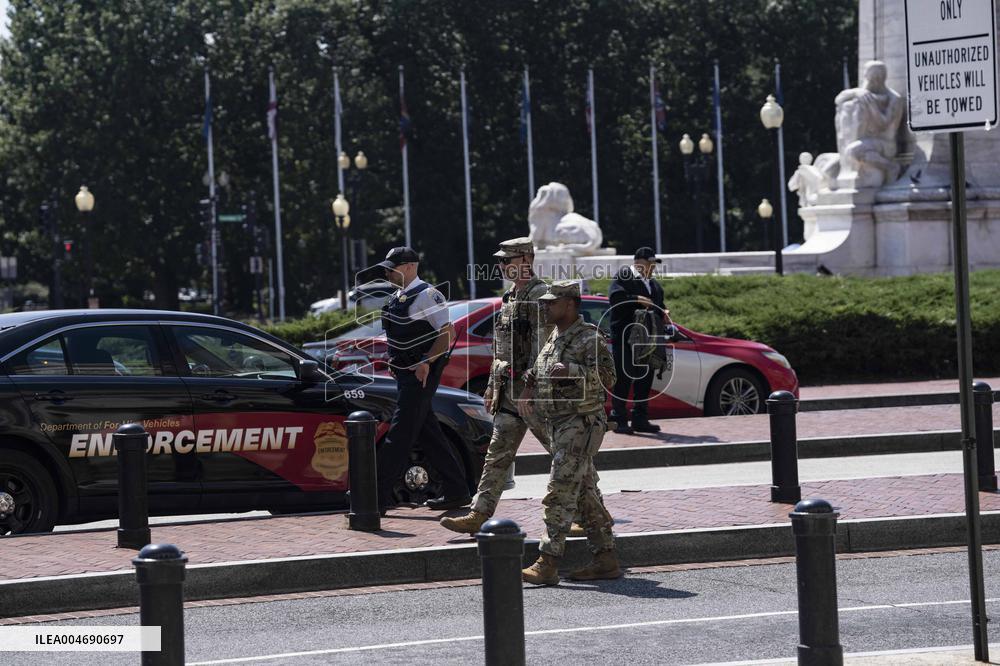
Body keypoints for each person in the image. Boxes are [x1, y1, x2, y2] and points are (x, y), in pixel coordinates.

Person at [440, 238, 552, 534]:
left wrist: (530, 389)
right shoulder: (511, 297)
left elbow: (543, 350)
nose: (501, 265)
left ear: (527, 259)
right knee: (496, 455)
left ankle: (593, 516)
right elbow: (501, 349)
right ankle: (479, 513)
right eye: (500, 261)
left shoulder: (539, 295)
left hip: (534, 396)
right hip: (509, 394)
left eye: (508, 260)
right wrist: (492, 386)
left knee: (566, 458)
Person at [518, 280, 620, 585]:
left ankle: (547, 562)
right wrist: (527, 386)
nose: (546, 306)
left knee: (559, 492)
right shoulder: (554, 336)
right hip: (558, 424)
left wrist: (572, 371)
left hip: (581, 422)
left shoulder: (590, 338)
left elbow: (609, 378)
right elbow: (539, 369)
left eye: (552, 302)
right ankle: (606, 558)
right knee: (586, 494)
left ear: (570, 304)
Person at [374, 247, 469, 512]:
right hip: (406, 372)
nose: (386, 272)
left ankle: (375, 496)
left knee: (400, 433)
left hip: (420, 374)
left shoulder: (427, 295)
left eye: (391, 267)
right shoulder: (398, 297)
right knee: (429, 434)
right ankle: (457, 491)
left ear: (409, 267)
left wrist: (425, 362)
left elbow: (446, 333)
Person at [608, 247, 669, 434]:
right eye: (649, 263)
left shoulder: (654, 285)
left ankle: (640, 418)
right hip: (626, 338)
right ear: (638, 263)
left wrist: (664, 312)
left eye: (654, 264)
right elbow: (615, 299)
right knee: (624, 378)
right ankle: (618, 419)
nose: (652, 267)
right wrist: (636, 298)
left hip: (648, 340)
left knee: (645, 378)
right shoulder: (624, 276)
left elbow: (658, 306)